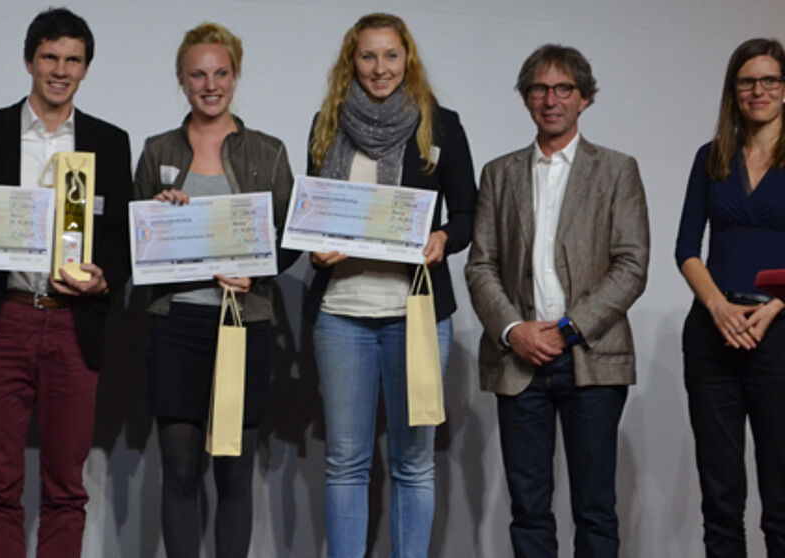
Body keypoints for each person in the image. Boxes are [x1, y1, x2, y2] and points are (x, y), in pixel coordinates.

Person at [0, 7, 131, 557]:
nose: (60, 69)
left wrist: (104, 280)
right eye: (50, 56)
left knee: (66, 490)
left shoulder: (110, 141)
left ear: (86, 69)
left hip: (75, 325)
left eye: (73, 60)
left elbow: (119, 241)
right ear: (29, 60)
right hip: (1, 317)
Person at [465, 44, 649, 558]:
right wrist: (514, 330)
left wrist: (568, 329)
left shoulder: (616, 170)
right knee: (528, 508)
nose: (551, 99)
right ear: (526, 99)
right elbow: (481, 264)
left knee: (595, 508)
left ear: (584, 99)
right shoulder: (499, 174)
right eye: (540, 89)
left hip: (591, 360)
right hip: (518, 360)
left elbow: (632, 265)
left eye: (563, 88)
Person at [306, 13, 477, 558]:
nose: (380, 69)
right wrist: (314, 243)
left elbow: (469, 213)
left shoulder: (441, 124)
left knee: (413, 462)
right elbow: (311, 210)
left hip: (417, 313)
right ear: (350, 63)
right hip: (341, 313)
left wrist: (444, 237)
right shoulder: (326, 124)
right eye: (368, 56)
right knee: (346, 463)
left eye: (390, 56)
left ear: (408, 60)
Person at [132, 22, 296, 558]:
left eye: (220, 73)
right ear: (181, 80)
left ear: (235, 75)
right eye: (198, 74)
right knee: (179, 471)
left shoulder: (268, 152)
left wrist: (260, 272)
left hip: (241, 326)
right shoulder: (157, 150)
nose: (210, 85)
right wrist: (159, 218)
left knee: (234, 472)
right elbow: (137, 243)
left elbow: (290, 236)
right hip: (175, 321)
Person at [675, 37, 785, 558]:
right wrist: (717, 307)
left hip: (779, 335)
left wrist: (773, 309)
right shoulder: (711, 156)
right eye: (747, 81)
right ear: (733, 90)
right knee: (720, 500)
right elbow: (685, 249)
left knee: (781, 501)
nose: (758, 90)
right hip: (711, 337)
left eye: (769, 80)